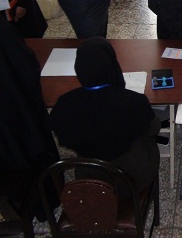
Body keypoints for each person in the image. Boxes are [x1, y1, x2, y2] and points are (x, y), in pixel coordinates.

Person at [50, 38, 160, 196]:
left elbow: (63, 137)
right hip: (132, 178)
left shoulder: (64, 104)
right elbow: (153, 127)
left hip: (89, 178)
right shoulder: (133, 101)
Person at [0, 17, 59, 218]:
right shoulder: (4, 31)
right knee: (32, 153)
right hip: (15, 110)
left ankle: (16, 208)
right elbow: (25, 66)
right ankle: (45, 202)